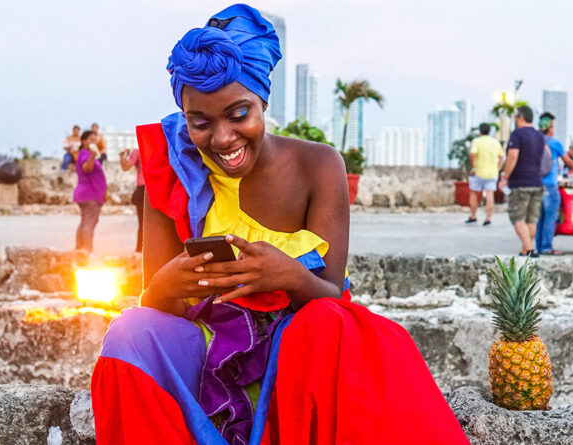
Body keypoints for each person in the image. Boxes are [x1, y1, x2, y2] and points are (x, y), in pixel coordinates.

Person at [90, 5, 468, 445]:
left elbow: (331, 296)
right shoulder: (172, 168)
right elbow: (156, 305)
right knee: (129, 331)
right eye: (200, 122)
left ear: (263, 101)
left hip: (296, 357)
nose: (223, 138)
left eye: (238, 114)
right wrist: (164, 285)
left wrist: (287, 276)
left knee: (335, 324)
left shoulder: (318, 165)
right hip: (208, 349)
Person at [535, 113, 573, 255]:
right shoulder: (554, 143)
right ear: (550, 128)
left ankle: (539, 246)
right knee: (550, 217)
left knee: (539, 218)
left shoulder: (535, 141)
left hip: (536, 184)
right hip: (550, 185)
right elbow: (568, 161)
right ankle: (546, 247)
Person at [499, 105, 545, 257]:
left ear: (521, 118)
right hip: (537, 182)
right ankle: (525, 249)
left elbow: (512, 156)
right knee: (531, 219)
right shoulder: (539, 136)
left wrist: (505, 177)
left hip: (520, 182)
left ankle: (530, 249)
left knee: (518, 217)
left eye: (515, 117)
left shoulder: (517, 135)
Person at [74, 130, 107, 252]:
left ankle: (79, 250)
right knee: (89, 223)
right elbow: (86, 169)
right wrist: (92, 156)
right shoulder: (86, 154)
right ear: (84, 141)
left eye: (95, 140)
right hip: (90, 194)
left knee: (84, 222)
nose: (94, 142)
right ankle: (87, 251)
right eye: (91, 140)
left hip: (86, 193)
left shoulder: (86, 154)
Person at [466, 123, 504, 226]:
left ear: (480, 132)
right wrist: (498, 169)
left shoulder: (476, 141)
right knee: (489, 195)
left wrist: (474, 167)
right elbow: (501, 157)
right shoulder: (495, 142)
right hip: (492, 173)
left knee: (473, 193)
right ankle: (488, 218)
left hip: (478, 172)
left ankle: (473, 216)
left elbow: (472, 154)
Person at [119, 147, 145, 252]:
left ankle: (139, 250)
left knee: (142, 223)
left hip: (142, 189)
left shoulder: (138, 151)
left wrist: (121, 156)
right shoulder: (159, 148)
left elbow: (125, 167)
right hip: (156, 189)